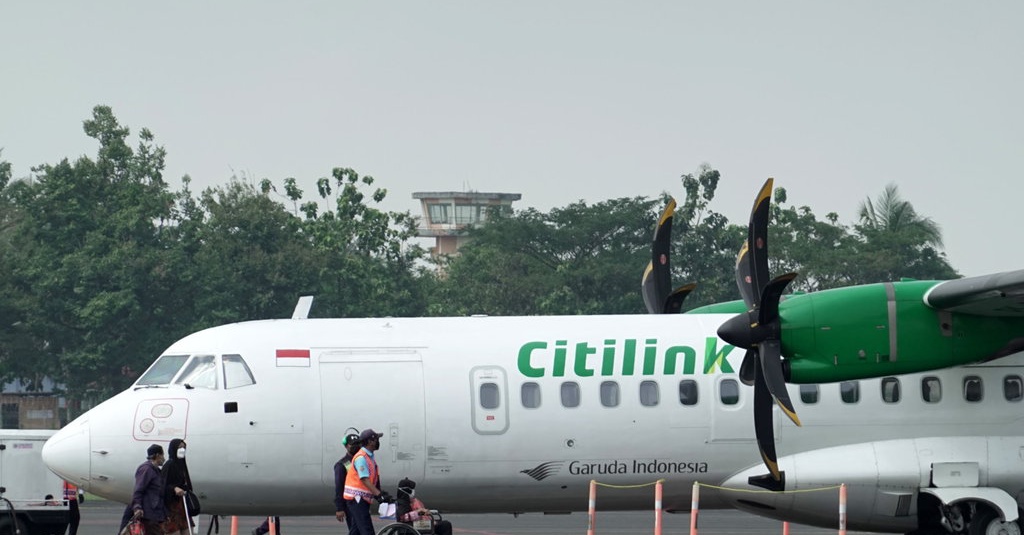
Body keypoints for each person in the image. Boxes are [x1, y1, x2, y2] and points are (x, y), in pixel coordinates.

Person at [342, 429, 384, 535]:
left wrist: (380, 493)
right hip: (357, 499)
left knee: (355, 531)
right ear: (370, 441)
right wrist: (378, 494)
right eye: (376, 439)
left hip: (361, 499)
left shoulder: (369, 457)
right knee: (367, 530)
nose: (378, 442)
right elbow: (364, 479)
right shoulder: (361, 458)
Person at [131, 444, 167, 535]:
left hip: (155, 514)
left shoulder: (156, 470)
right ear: (158, 455)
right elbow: (138, 490)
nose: (164, 458)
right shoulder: (146, 469)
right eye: (163, 455)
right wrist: (137, 507)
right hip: (149, 514)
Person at [161, 438, 194, 535]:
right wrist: (173, 488)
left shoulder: (182, 464)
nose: (182, 450)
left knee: (188, 531)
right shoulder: (169, 465)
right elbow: (163, 485)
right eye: (180, 447)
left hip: (182, 506)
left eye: (184, 447)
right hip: (172, 507)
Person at [333, 432, 362, 530]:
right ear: (346, 446)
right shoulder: (342, 464)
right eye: (352, 444)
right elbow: (339, 486)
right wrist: (339, 508)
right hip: (350, 504)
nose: (356, 446)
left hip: (361, 502)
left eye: (357, 444)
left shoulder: (360, 461)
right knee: (356, 529)